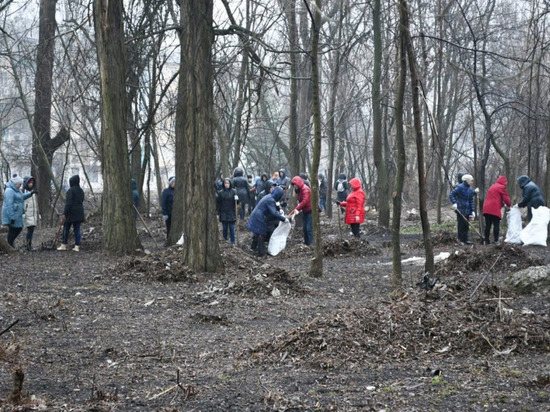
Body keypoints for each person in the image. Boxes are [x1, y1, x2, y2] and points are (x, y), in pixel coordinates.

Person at [247, 186, 288, 257]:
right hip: (259, 216)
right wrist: (284, 219)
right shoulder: (270, 200)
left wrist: (279, 208)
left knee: (257, 233)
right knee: (261, 234)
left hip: (257, 215)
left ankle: (253, 247)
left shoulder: (269, 197)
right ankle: (261, 252)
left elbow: (273, 208)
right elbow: (273, 212)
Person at [2, 175, 35, 248]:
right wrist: (11, 217)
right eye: (19, 184)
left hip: (16, 214)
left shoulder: (17, 190)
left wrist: (30, 194)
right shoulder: (9, 191)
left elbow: (21, 197)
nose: (20, 186)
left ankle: (10, 244)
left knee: (18, 228)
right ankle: (9, 245)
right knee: (13, 230)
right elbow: (9, 205)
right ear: (15, 183)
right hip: (12, 214)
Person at [57, 175, 85, 251]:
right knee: (77, 229)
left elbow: (68, 203)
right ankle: (77, 246)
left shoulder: (70, 191)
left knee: (66, 228)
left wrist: (65, 213)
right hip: (79, 213)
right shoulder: (81, 190)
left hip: (71, 213)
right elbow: (82, 200)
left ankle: (64, 245)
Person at [482, 176, 511, 245]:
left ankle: (486, 240)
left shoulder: (492, 187)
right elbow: (506, 198)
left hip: (486, 208)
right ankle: (496, 240)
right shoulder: (501, 187)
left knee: (488, 225)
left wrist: (502, 204)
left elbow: (496, 198)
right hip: (494, 208)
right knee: (496, 224)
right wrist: (508, 205)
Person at [449, 173, 475, 244]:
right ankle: (460, 240)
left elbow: (471, 200)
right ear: (467, 180)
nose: (472, 182)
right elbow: (451, 195)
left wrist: (472, 210)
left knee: (466, 225)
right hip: (460, 209)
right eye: (471, 181)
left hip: (468, 210)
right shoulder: (460, 187)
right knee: (461, 225)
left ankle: (465, 239)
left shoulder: (470, 189)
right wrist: (454, 203)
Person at [288, 175, 313, 245]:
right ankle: (306, 242)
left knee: (309, 228)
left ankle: (311, 243)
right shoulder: (299, 190)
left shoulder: (305, 189)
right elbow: (300, 201)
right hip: (305, 211)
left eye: (295, 185)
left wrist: (297, 209)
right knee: (305, 228)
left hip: (310, 211)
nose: (294, 187)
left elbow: (305, 201)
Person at [216, 178, 237, 245]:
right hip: (223, 212)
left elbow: (236, 203)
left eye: (228, 183)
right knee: (224, 228)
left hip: (231, 212)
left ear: (230, 184)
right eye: (225, 183)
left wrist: (237, 199)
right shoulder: (220, 192)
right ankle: (225, 241)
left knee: (232, 228)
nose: (226, 185)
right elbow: (218, 203)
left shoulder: (234, 192)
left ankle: (233, 241)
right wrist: (218, 212)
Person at [23, 176, 40, 251]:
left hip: (33, 214)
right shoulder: (24, 192)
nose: (31, 184)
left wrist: (37, 214)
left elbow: (35, 204)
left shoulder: (32, 192)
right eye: (29, 183)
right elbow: (23, 203)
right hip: (27, 214)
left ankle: (29, 245)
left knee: (31, 230)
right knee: (30, 230)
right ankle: (28, 245)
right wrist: (23, 214)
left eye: (32, 183)